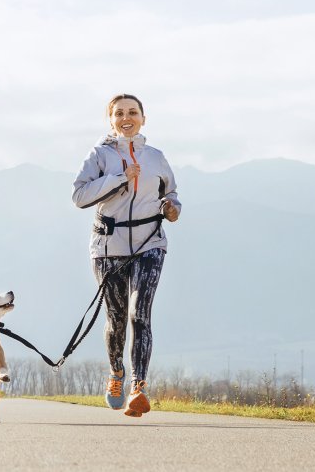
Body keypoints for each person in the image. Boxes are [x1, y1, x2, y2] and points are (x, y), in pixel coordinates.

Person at [72, 94, 181, 417]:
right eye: (119, 113)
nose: (126, 118)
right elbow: (78, 196)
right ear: (111, 120)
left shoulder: (157, 157)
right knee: (117, 320)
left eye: (133, 112)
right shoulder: (99, 155)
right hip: (109, 246)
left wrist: (172, 208)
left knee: (140, 314)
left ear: (143, 119)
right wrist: (121, 177)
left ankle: (139, 387)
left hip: (150, 243)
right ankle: (116, 373)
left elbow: (171, 192)